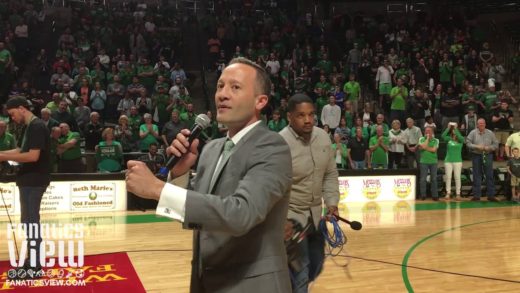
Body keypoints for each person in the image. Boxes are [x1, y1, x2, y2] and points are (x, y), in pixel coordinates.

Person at [125, 57, 293, 292]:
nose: (222, 94)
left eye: (235, 87)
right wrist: (180, 174)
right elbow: (201, 211)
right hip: (205, 281)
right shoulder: (213, 148)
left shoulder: (272, 146)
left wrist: (157, 188)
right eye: (220, 86)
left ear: (260, 101)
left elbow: (241, 214)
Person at [279, 94, 339, 293]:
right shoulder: (280, 143)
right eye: (301, 115)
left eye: (311, 115)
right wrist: (281, 221)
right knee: (302, 270)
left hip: (316, 217)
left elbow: (330, 174)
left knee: (316, 265)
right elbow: (274, 188)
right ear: (289, 117)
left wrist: (332, 203)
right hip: (292, 219)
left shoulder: (322, 136)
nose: (308, 120)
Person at [1, 97, 50, 274]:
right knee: (27, 221)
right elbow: (20, 151)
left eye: (12, 114)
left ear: (21, 108)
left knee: (31, 222)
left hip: (34, 180)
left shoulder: (36, 126)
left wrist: (4, 157)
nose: (12, 118)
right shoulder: (29, 127)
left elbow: (32, 156)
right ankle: (32, 259)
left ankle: (35, 264)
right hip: (28, 180)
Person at [466, 118, 499, 202]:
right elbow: (467, 143)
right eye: (479, 124)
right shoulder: (473, 133)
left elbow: (496, 144)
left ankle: (491, 195)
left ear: (485, 124)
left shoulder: (490, 133)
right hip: (476, 155)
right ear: (477, 125)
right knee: (476, 175)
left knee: (489, 175)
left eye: (483, 123)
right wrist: (477, 146)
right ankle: (477, 196)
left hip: (487, 155)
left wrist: (490, 148)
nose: (481, 125)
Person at [441, 123, 464, 201]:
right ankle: (448, 193)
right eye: (453, 131)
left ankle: (458, 194)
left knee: (457, 177)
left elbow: (461, 138)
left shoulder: (460, 140)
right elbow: (443, 136)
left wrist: (455, 129)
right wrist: (448, 128)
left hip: (457, 161)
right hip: (448, 161)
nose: (454, 133)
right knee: (448, 177)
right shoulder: (449, 139)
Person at [418, 126, 440, 200]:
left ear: (432, 132)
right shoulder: (421, 139)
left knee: (434, 179)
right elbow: (423, 147)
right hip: (423, 161)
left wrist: (425, 147)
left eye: (429, 131)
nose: (427, 132)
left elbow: (434, 150)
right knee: (423, 179)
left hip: (433, 162)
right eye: (426, 131)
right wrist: (427, 139)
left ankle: (435, 195)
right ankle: (423, 195)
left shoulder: (436, 140)